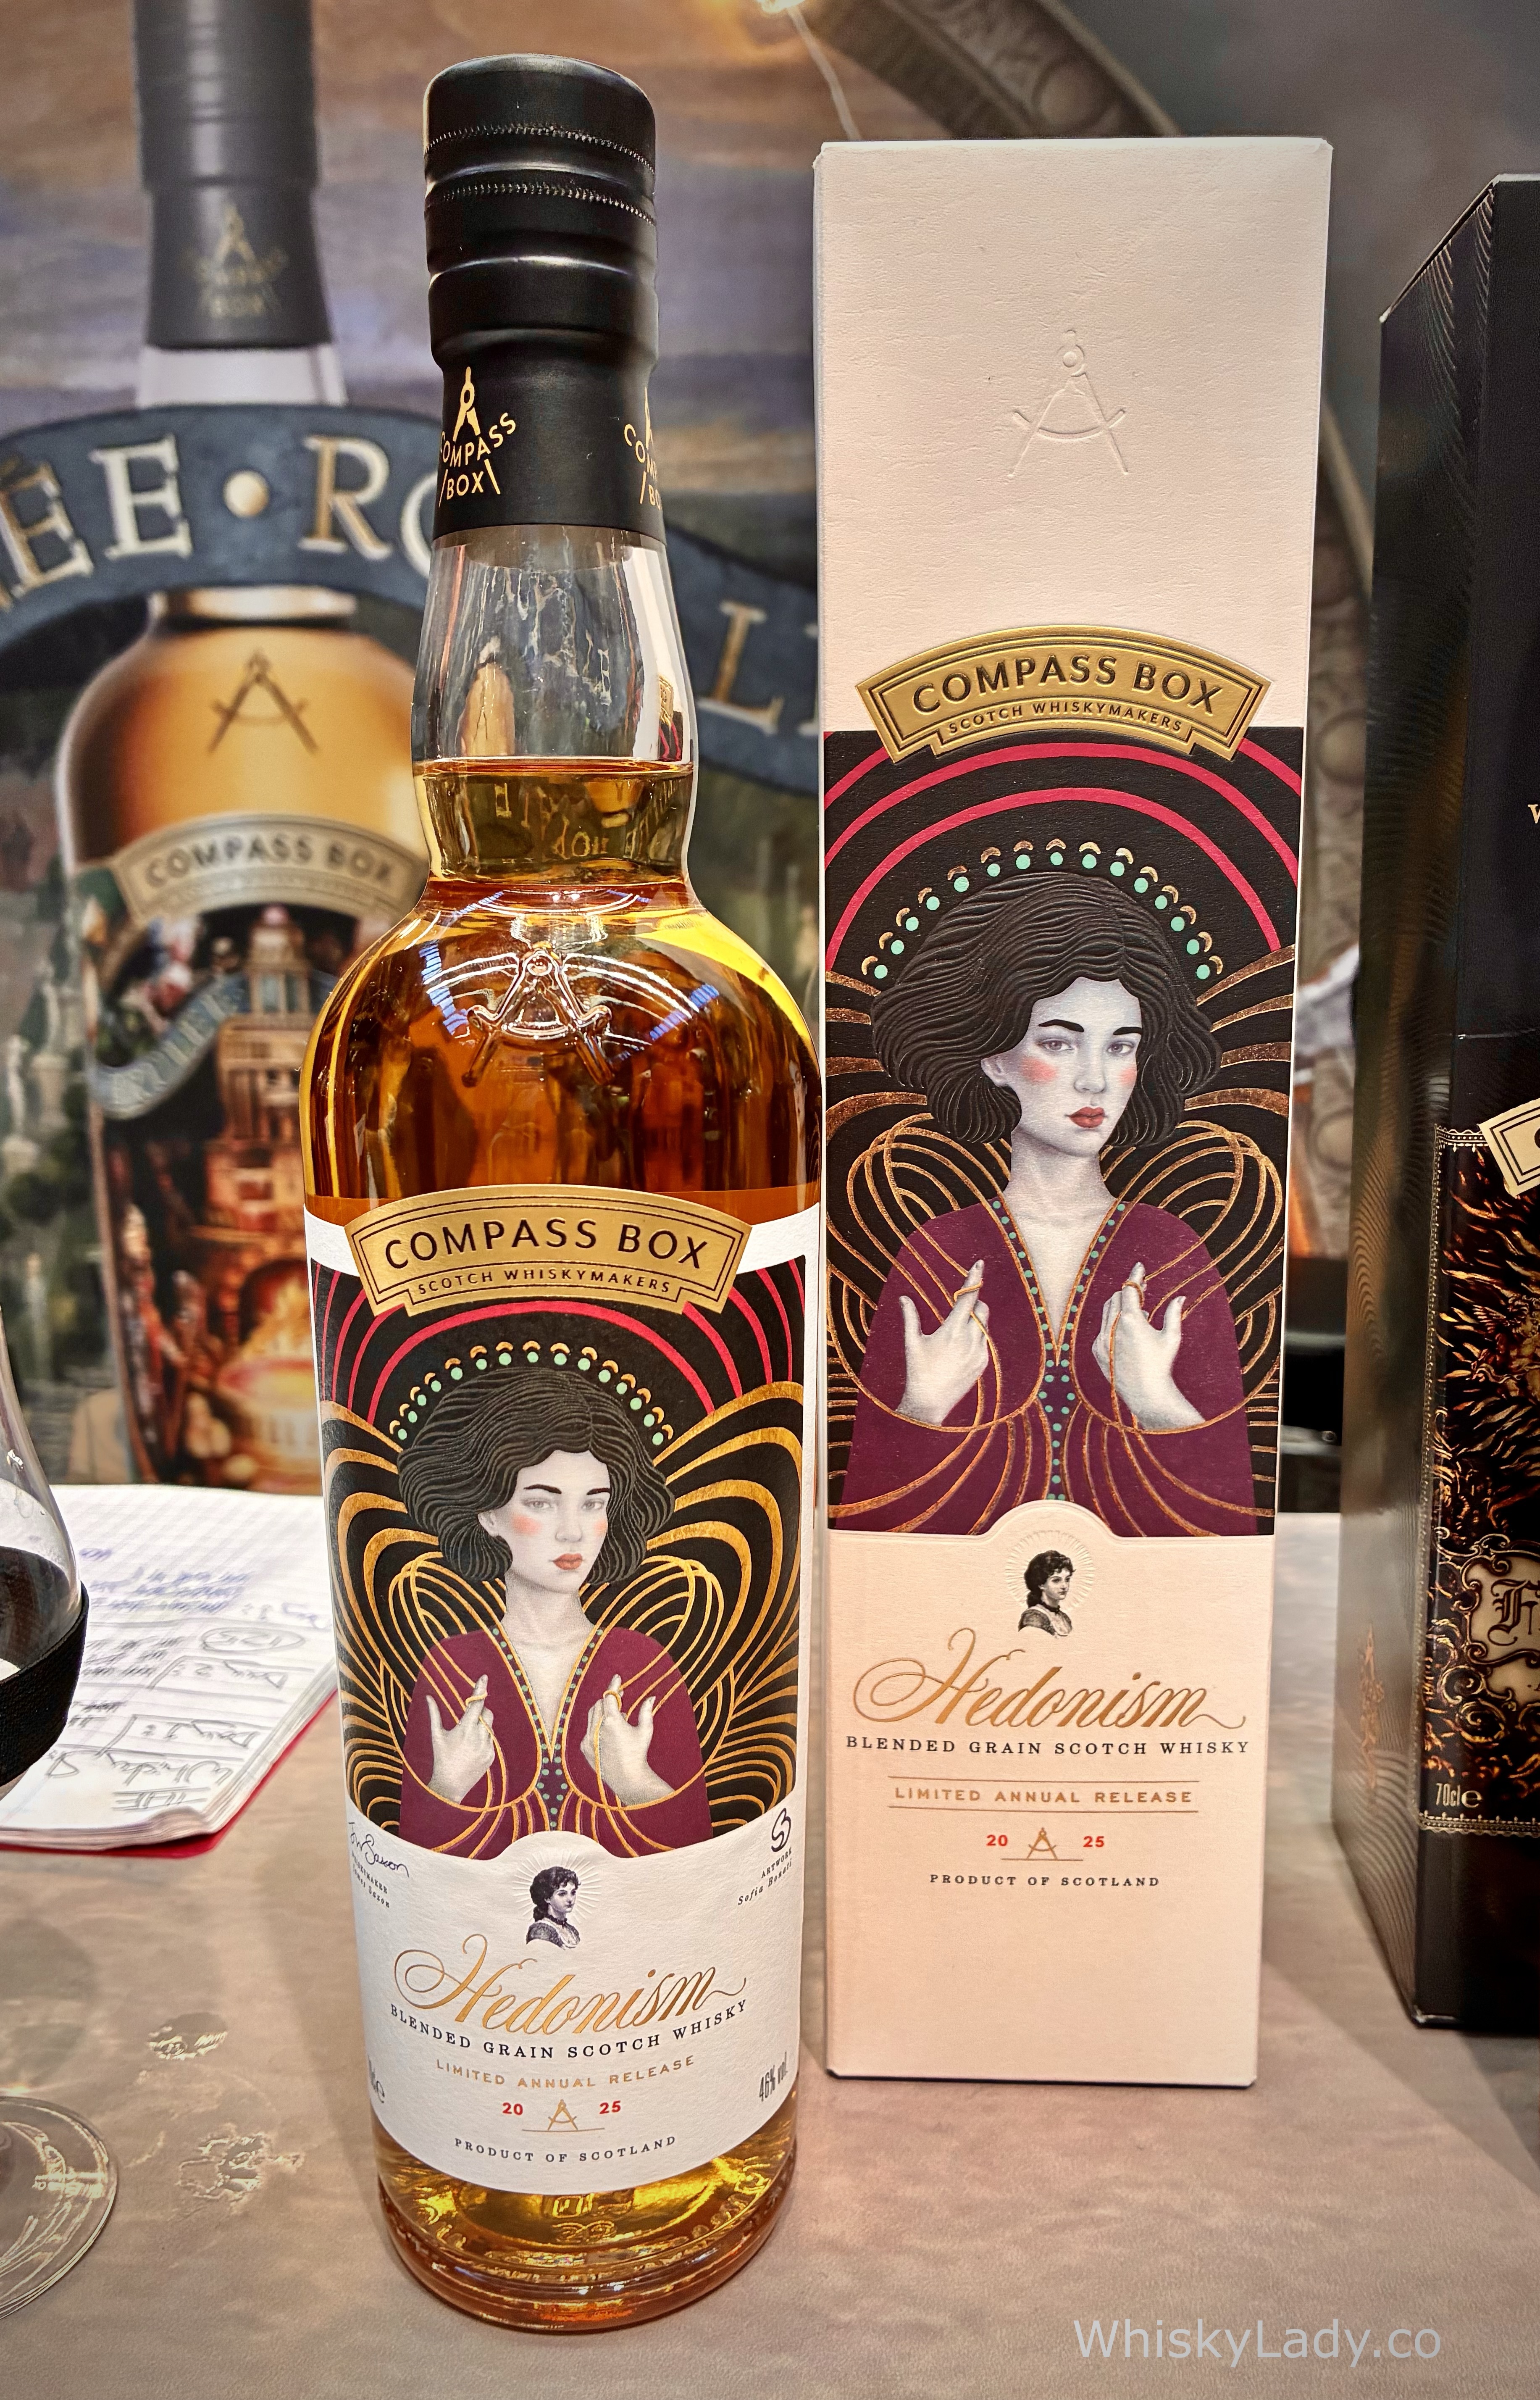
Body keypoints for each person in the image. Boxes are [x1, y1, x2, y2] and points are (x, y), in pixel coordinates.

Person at [838, 874, 1255, 1539]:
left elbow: (1230, 1534)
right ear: (993, 1058)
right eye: (1058, 1043)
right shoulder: (937, 1252)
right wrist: (923, 1405)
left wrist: (1158, 1404)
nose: (1094, 1079)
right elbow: (870, 1526)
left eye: (1120, 1046)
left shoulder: (1171, 1251)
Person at [396, 1366, 711, 1858]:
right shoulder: (451, 1667)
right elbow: (410, 1863)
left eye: (593, 1504)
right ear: (489, 1513)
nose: (572, 1532)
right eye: (542, 1504)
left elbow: (704, 1863)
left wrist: (636, 1782)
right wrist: (448, 1785)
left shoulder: (643, 1663)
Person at [1020, 1550, 1075, 1637]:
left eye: (1067, 1580)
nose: (1065, 1586)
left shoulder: (1064, 1618)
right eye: (1056, 1580)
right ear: (1041, 1584)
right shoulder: (1034, 1618)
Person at [526, 1866, 581, 1948]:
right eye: (562, 1894)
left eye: (573, 1893)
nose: (570, 1899)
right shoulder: (541, 1931)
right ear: (547, 1898)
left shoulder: (572, 1931)